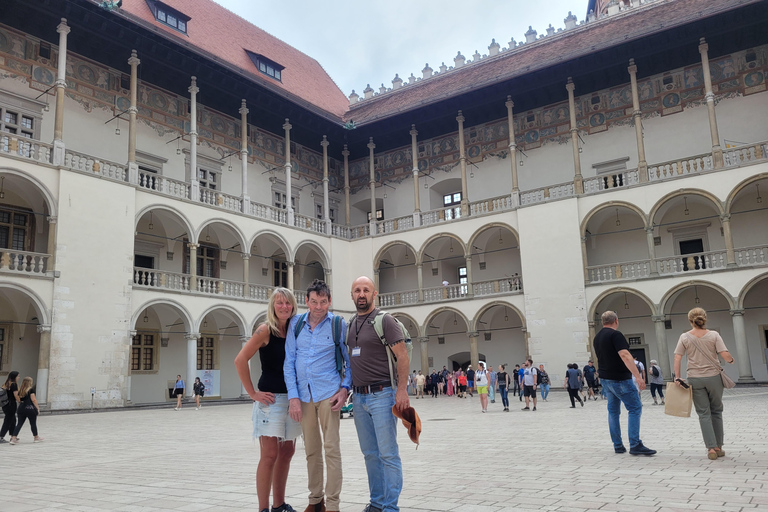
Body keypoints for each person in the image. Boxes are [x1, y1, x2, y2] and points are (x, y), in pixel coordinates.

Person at [284, 279, 351, 512]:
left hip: (328, 394)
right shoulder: (296, 324)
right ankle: (315, 501)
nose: (319, 307)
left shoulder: (338, 324)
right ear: (306, 301)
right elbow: (289, 362)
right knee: (312, 451)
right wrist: (293, 397)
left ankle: (333, 505)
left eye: (323, 302)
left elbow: (349, 359)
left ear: (329, 301)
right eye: (314, 302)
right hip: (304, 395)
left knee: (331, 449)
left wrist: (344, 389)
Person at [235, 288, 301, 512]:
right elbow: (240, 360)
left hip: (292, 399)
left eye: (288, 303)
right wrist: (253, 393)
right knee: (270, 454)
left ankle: (279, 504)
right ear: (273, 306)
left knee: (287, 452)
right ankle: (263, 508)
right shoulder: (265, 330)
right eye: (279, 303)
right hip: (270, 401)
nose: (284, 307)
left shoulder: (294, 331)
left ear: (293, 306)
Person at [348, 276, 410, 512]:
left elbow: (402, 355)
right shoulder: (352, 323)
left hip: (383, 394)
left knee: (388, 454)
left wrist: (401, 390)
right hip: (359, 397)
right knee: (370, 455)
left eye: (366, 290)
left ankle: (391, 507)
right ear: (351, 295)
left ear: (375, 295)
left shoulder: (385, 321)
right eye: (357, 290)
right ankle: (377, 503)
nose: (361, 294)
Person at [673, 307, 735, 460]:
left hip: (694, 378)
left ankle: (711, 449)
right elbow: (724, 354)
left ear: (690, 320)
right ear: (704, 319)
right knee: (716, 411)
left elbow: (677, 357)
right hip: (714, 377)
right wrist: (731, 360)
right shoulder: (714, 335)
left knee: (703, 414)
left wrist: (678, 377)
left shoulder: (684, 336)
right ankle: (719, 446)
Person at [593, 311, 656, 456]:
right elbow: (625, 355)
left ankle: (618, 445)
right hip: (620, 379)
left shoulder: (597, 337)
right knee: (635, 408)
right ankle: (635, 444)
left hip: (606, 379)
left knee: (613, 411)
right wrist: (638, 377)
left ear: (603, 322)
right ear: (616, 320)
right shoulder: (616, 335)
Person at [9, 376, 43, 444]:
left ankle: (13, 438)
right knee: (33, 423)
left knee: (19, 423)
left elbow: (19, 400)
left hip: (21, 408)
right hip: (30, 408)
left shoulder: (20, 390)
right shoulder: (30, 390)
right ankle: (36, 437)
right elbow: (33, 400)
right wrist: (37, 408)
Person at [1, 371, 20, 443]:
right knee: (8, 421)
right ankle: (1, 436)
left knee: (13, 420)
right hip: (11, 404)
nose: (19, 378)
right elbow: (16, 395)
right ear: (14, 377)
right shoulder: (14, 384)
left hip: (5, 404)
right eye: (18, 376)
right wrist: (20, 401)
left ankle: (13, 435)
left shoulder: (6, 384)